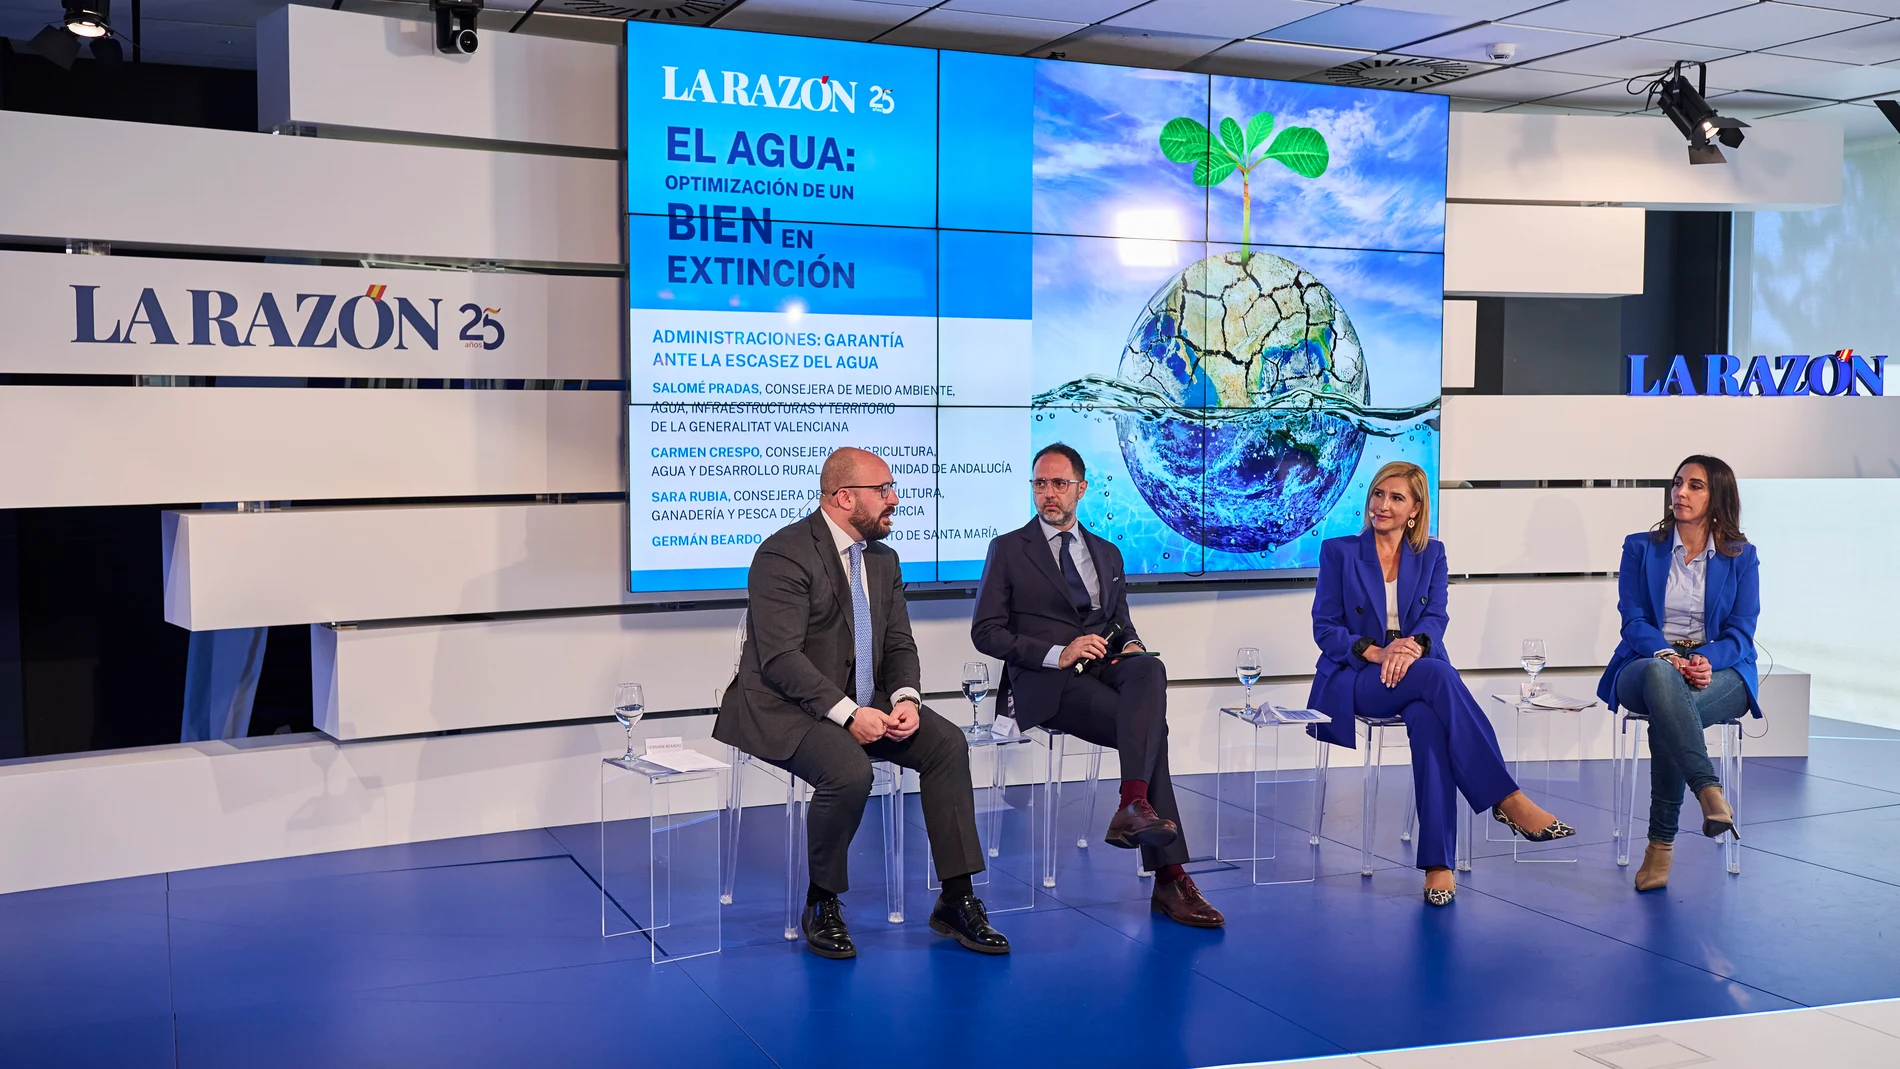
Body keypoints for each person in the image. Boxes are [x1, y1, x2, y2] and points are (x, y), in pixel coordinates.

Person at [714, 447, 1008, 959]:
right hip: (784, 705)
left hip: (861, 698)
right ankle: (821, 901)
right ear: (844, 497)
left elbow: (897, 643)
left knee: (944, 743)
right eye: (884, 490)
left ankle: (956, 898)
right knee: (849, 770)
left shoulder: (882, 558)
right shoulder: (782, 554)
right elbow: (781, 659)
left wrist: (906, 699)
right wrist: (849, 715)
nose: (895, 499)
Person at [971, 443, 1223, 928]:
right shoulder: (1007, 549)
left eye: (1059, 484)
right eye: (1040, 484)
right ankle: (1170, 875)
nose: (1048, 494)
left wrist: (1130, 645)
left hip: (1104, 665)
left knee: (1150, 667)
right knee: (1155, 732)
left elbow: (1122, 623)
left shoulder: (1106, 552)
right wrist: (1056, 653)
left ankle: (1133, 805)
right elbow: (986, 633)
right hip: (1049, 681)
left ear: (1081, 489)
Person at [1308, 460, 1576, 906]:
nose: (1383, 505)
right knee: (1439, 675)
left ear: (1415, 509)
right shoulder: (1339, 552)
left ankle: (1438, 865)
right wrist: (1379, 651)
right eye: (1378, 494)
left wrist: (1411, 647)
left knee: (1429, 720)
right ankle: (1507, 798)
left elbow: (1436, 618)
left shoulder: (1431, 553)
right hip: (1358, 676)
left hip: (1414, 672)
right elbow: (1325, 628)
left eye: (1396, 498)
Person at [1597, 454, 1758, 892]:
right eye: (1677, 483)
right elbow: (1632, 621)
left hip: (1719, 672)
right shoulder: (1640, 547)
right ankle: (1709, 791)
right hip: (1646, 664)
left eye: (1695, 486)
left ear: (1718, 496)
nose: (1680, 492)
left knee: (1670, 716)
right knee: (1662, 682)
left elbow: (1743, 633)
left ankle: (1660, 847)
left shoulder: (1742, 557)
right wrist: (1670, 657)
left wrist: (1705, 659)